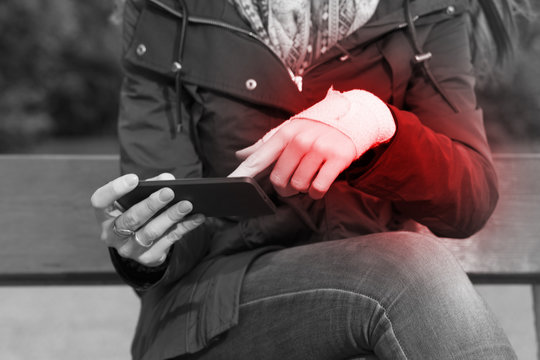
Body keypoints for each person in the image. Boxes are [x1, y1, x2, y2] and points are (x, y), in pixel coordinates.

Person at [91, 0, 521, 359]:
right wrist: (145, 252)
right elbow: (168, 211)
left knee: (407, 271)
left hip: (379, 297)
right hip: (216, 309)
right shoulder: (166, 10)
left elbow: (469, 200)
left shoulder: (422, 9)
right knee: (410, 267)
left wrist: (373, 121)